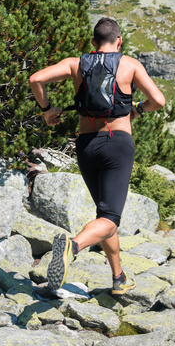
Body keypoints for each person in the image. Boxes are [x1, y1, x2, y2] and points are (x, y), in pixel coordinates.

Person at [28, 17, 165, 294]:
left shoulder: (75, 63)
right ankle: (73, 246)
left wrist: (47, 109)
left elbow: (35, 79)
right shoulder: (130, 64)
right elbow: (159, 101)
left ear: (93, 43)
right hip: (118, 145)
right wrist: (138, 107)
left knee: (104, 216)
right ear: (119, 41)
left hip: (87, 145)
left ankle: (119, 278)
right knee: (110, 218)